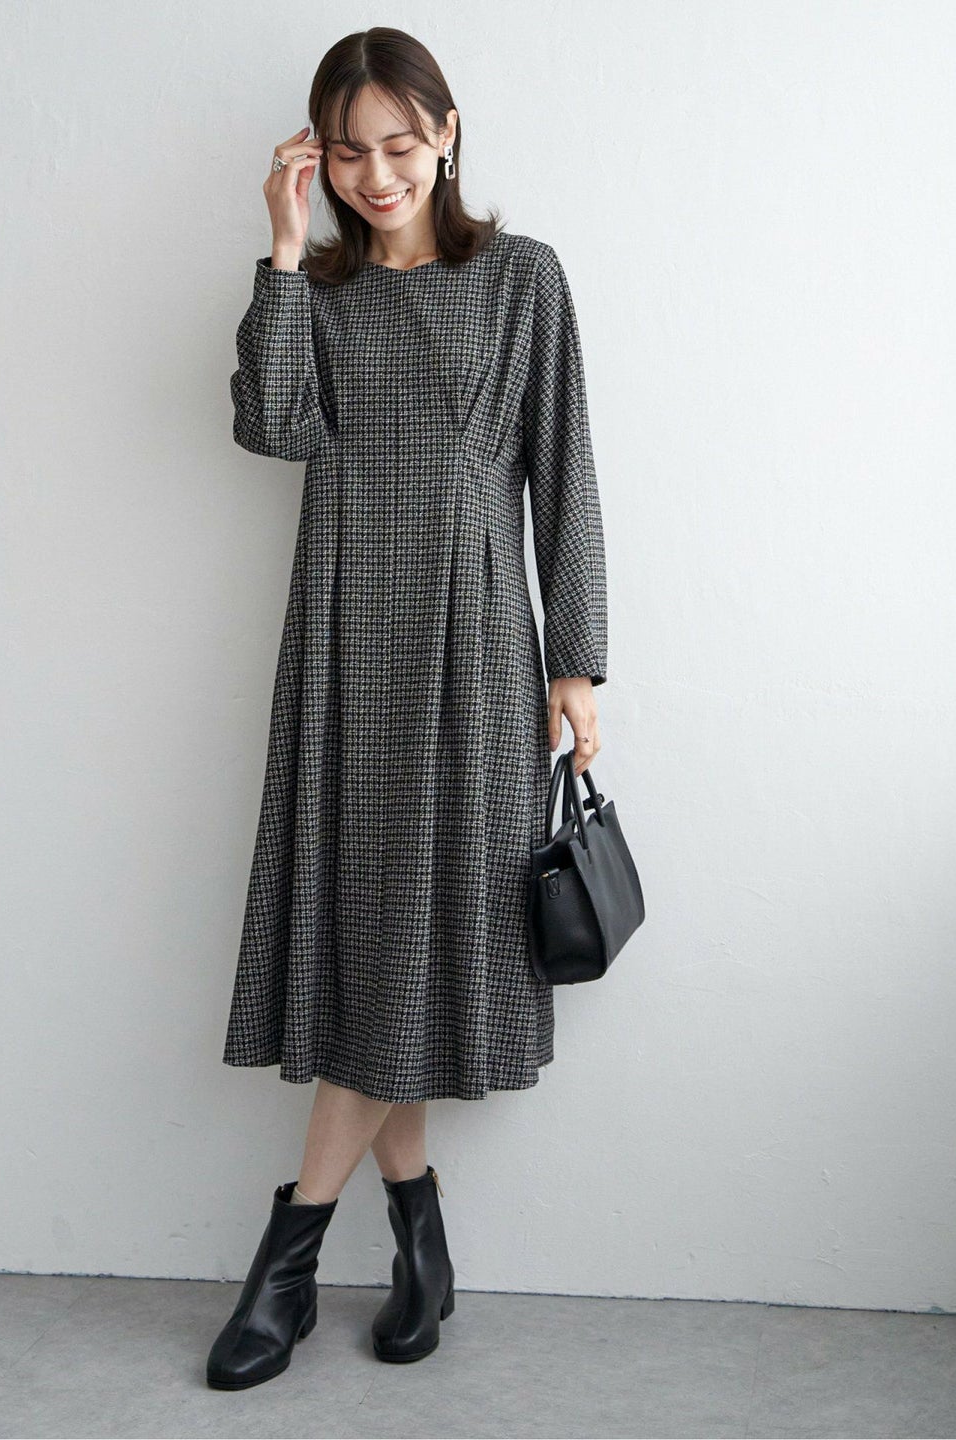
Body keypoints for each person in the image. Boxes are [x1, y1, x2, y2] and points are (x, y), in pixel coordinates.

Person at [207, 26, 608, 1391]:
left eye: (398, 144)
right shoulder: (315, 293)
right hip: (342, 642)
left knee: (414, 942)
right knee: (381, 941)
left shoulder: (522, 279)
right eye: (347, 152)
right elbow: (273, 427)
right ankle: (418, 1240)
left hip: (480, 644)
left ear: (446, 134)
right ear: (315, 160)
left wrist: (575, 663)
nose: (376, 175)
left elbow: (565, 470)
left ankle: (289, 1257)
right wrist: (279, 250)